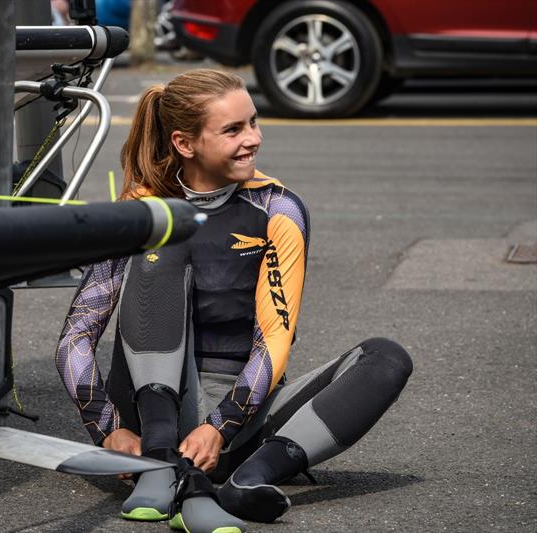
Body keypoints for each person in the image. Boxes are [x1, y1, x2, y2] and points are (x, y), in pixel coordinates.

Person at [55, 69, 412, 532]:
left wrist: (218, 428)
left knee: (386, 358)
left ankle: (246, 481)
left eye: (253, 122)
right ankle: (164, 459)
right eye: (233, 129)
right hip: (151, 419)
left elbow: (275, 338)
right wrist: (109, 430)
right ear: (186, 143)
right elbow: (75, 338)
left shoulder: (278, 209)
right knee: (167, 240)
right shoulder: (142, 208)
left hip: (235, 425)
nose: (253, 139)